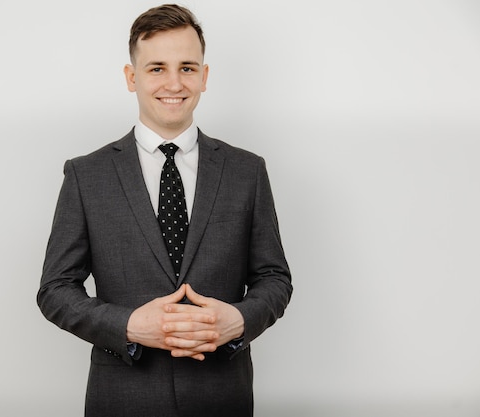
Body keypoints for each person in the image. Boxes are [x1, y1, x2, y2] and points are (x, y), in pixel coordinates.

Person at [37, 4, 292, 417]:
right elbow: (55, 290)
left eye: (187, 68)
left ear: (204, 77)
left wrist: (239, 321)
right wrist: (129, 327)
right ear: (131, 77)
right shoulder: (87, 174)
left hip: (221, 397)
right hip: (123, 398)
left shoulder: (247, 171)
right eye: (157, 68)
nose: (174, 82)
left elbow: (274, 278)